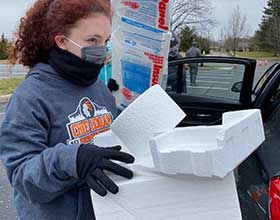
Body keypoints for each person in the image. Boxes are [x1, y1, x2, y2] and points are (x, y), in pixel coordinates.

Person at [0, 1, 135, 220]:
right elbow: (23, 178)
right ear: (62, 41)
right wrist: (72, 160)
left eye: (106, 41)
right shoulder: (31, 96)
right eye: (92, 40)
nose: (102, 49)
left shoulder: (99, 88)